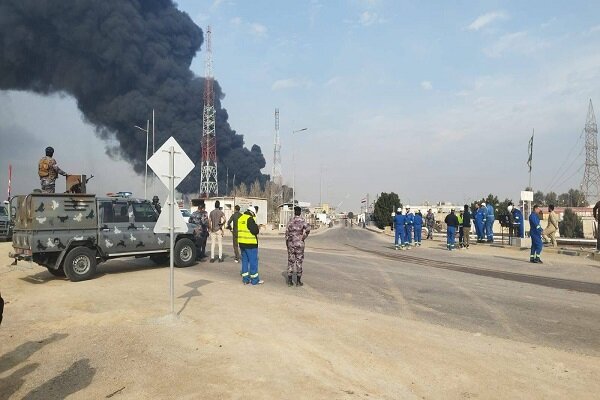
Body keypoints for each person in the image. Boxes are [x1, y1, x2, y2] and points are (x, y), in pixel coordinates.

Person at [285, 206, 311, 287]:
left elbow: (286, 233)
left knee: (290, 261)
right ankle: (298, 281)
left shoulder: (290, 221)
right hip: (299, 244)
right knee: (299, 261)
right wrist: (303, 237)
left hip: (291, 244)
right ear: (300, 212)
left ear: (294, 212)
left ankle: (289, 281)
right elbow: (308, 229)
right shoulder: (302, 221)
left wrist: (287, 243)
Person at [238, 206, 263, 285]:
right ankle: (254, 280)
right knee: (253, 262)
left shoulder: (240, 218)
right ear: (252, 213)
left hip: (242, 243)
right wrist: (257, 227)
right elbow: (255, 230)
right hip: (250, 244)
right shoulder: (250, 219)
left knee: (245, 262)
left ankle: (245, 279)